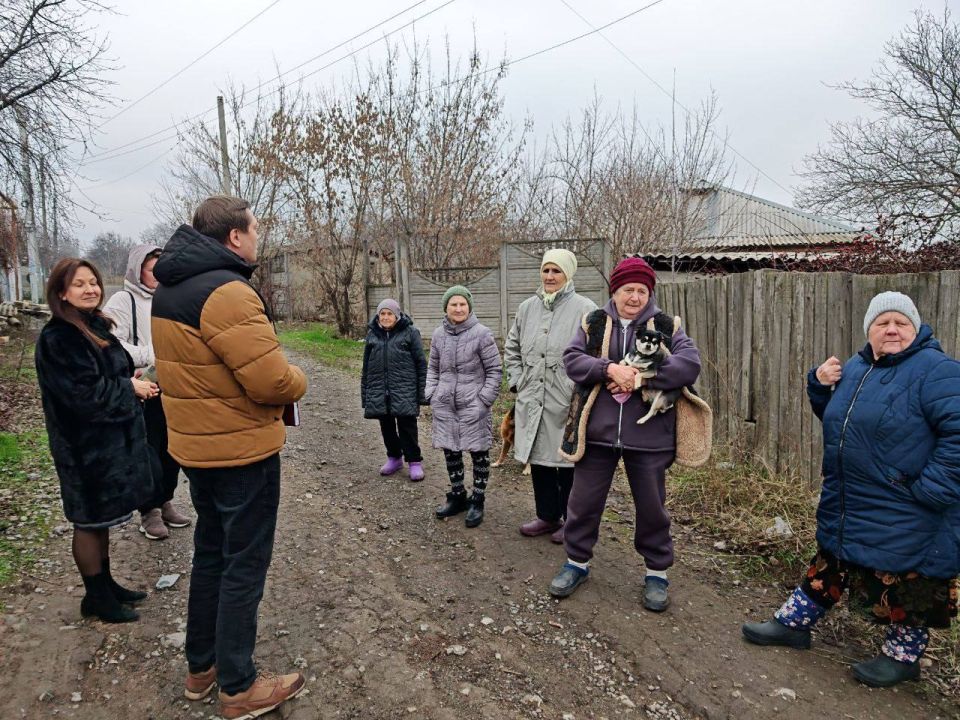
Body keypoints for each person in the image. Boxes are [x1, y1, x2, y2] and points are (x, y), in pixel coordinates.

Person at [742, 291, 960, 688]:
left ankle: (904, 655)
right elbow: (845, 424)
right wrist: (819, 388)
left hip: (909, 503)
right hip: (853, 496)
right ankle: (794, 624)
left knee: (910, 576)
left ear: (917, 329)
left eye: (901, 323)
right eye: (882, 323)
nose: (891, 329)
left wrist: (932, 490)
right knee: (833, 557)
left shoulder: (938, 371)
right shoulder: (859, 367)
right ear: (869, 330)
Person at [151, 196, 308, 718]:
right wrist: (299, 381)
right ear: (235, 236)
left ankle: (203, 667)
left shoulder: (169, 288)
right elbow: (269, 380)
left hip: (198, 449)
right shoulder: (227, 291)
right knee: (244, 565)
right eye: (255, 228)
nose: (258, 236)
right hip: (241, 451)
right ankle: (239, 687)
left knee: (212, 555)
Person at [547, 257, 701, 611]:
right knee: (582, 504)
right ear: (614, 291)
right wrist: (609, 368)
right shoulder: (594, 323)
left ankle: (657, 573)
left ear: (650, 293)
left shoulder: (666, 325)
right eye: (627, 290)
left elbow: (689, 364)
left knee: (652, 508)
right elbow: (572, 359)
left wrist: (643, 376)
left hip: (649, 437)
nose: (634, 297)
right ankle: (576, 564)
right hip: (597, 433)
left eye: (641, 290)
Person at [34, 258, 159, 623]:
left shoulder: (93, 325)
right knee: (88, 521)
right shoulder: (59, 337)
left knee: (99, 519)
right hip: (83, 449)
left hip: (108, 445)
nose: (90, 289)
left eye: (93, 282)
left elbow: (112, 369)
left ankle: (106, 586)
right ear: (61, 292)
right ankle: (95, 597)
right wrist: (129, 387)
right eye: (79, 284)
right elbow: (83, 396)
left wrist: (132, 376)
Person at [504, 248, 596, 543]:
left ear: (568, 274)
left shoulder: (586, 309)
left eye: (556, 271)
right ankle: (547, 516)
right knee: (539, 457)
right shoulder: (527, 308)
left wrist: (577, 389)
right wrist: (517, 381)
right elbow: (512, 347)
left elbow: (595, 353)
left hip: (566, 399)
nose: (550, 276)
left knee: (567, 461)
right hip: (532, 395)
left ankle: (572, 521)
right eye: (546, 270)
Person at [103, 244, 190, 541]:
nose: (158, 274)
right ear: (137, 270)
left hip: (173, 384)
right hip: (145, 385)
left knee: (171, 447)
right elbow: (109, 341)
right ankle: (148, 510)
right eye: (152, 270)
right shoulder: (122, 300)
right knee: (148, 449)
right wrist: (147, 355)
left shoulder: (170, 297)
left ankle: (165, 500)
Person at [427, 285, 503, 527]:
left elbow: (495, 370)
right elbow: (432, 368)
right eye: (453, 304)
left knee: (479, 453)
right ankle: (458, 495)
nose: (458, 309)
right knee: (451, 450)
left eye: (462, 304)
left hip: (474, 404)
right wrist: (431, 393)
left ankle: (477, 500)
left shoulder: (482, 334)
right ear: (446, 308)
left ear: (469, 307)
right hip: (445, 404)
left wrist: (483, 401)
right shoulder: (439, 334)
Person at [361, 298, 428, 481]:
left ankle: (414, 461)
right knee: (386, 426)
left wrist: (422, 392)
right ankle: (394, 458)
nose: (385, 317)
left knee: (407, 427)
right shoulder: (372, 335)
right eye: (382, 313)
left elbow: (421, 363)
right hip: (380, 390)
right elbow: (366, 367)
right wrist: (365, 394)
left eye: (389, 313)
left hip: (405, 389)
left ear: (397, 316)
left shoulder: (410, 333)